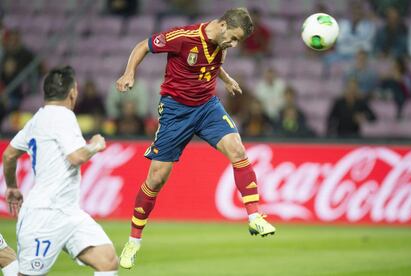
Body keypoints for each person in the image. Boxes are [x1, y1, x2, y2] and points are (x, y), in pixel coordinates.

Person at [116, 7, 275, 269]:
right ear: (223, 25)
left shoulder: (221, 42)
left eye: (237, 42)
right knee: (155, 179)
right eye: (233, 38)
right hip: (176, 111)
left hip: (207, 107)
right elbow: (142, 46)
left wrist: (225, 78)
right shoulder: (183, 37)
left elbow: (213, 62)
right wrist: (129, 72)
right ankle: (134, 240)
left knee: (238, 150)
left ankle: (254, 215)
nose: (233, 45)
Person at [2, 66, 119, 275]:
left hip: (69, 212)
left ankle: (5, 257)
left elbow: (9, 155)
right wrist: (96, 145)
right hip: (45, 215)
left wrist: (12, 186)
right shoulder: (64, 116)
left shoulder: (37, 119)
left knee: (107, 259)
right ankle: (5, 256)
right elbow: (76, 157)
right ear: (73, 91)